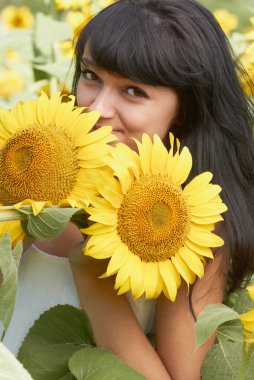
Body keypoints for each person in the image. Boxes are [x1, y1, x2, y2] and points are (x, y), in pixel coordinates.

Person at [68, 1, 254, 379]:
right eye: (90, 75)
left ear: (184, 110)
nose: (96, 108)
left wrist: (97, 282)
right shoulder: (23, 186)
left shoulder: (190, 228)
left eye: (133, 91)